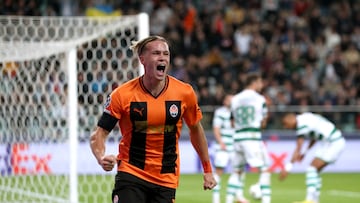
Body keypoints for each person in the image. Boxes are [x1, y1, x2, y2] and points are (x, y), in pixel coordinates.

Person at [90, 35, 217, 203]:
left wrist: (207, 169)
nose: (162, 57)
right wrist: (101, 157)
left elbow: (196, 130)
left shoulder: (184, 93)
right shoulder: (122, 95)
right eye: (156, 53)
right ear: (142, 59)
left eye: (166, 53)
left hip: (166, 178)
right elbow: (99, 134)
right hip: (131, 172)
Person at [279, 112, 346, 203]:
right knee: (315, 171)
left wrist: (288, 168)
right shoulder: (306, 118)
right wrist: (305, 153)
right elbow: (314, 138)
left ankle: (310, 199)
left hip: (332, 142)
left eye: (285, 124)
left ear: (291, 119)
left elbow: (298, 147)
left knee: (311, 169)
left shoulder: (301, 123)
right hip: (330, 141)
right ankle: (315, 200)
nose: (286, 127)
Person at [229, 73, 271, 203]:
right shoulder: (260, 99)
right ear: (254, 82)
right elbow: (263, 122)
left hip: (238, 138)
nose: (261, 85)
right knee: (264, 170)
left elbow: (232, 121)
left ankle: (228, 200)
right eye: (260, 82)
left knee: (237, 171)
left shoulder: (235, 99)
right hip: (252, 138)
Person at [211, 93, 235, 203]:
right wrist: (221, 142)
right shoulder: (220, 112)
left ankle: (231, 199)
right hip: (223, 146)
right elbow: (216, 129)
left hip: (234, 146)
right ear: (225, 101)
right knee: (219, 171)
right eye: (230, 99)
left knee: (237, 172)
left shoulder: (236, 112)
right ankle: (216, 200)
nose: (232, 102)